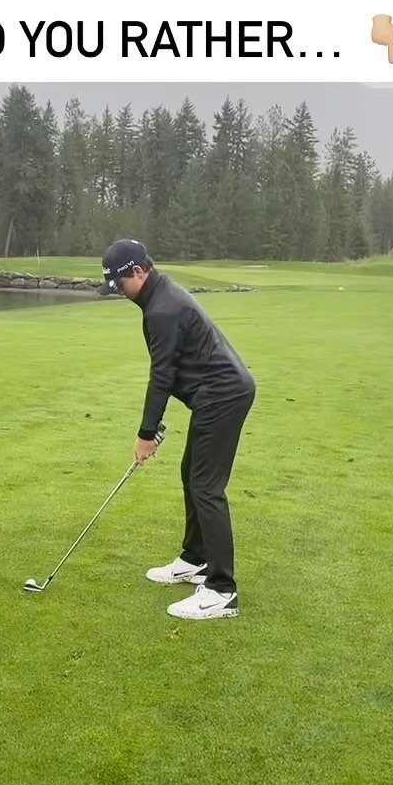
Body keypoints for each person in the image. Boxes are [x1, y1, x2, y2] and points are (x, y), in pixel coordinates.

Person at [102, 239, 256, 620]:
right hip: (213, 396)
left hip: (223, 396)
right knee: (192, 475)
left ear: (138, 271)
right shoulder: (159, 298)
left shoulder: (163, 309)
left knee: (206, 487)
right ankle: (195, 559)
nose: (119, 292)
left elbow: (162, 376)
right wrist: (152, 428)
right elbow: (172, 371)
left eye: (120, 284)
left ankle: (222, 591)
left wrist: (145, 434)